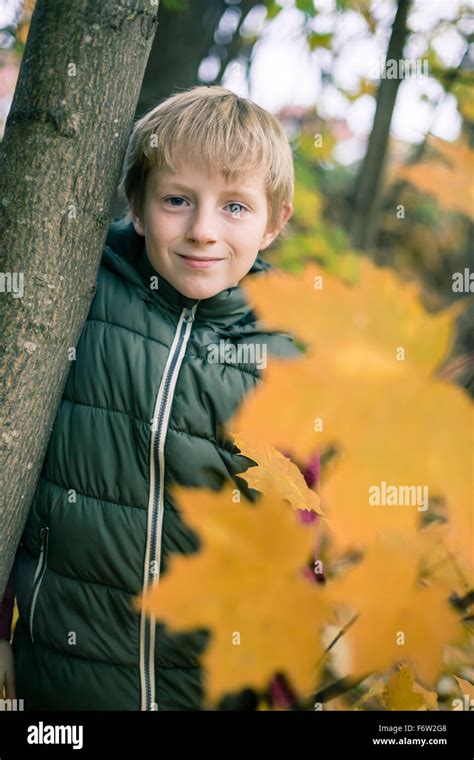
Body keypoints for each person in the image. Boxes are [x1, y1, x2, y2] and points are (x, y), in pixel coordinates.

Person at [0, 85, 301, 710]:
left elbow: (301, 533)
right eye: (176, 200)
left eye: (236, 207)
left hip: (208, 688)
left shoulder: (290, 353)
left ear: (275, 223)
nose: (202, 231)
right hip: (60, 675)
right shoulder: (79, 287)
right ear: (136, 207)